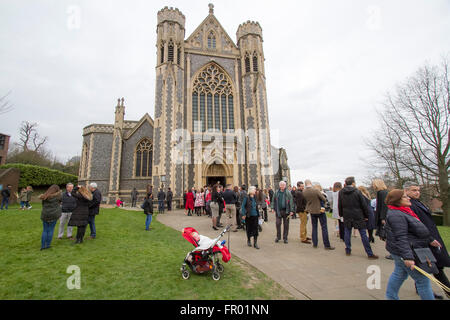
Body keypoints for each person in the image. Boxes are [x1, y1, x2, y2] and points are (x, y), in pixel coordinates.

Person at [384, 189, 439, 300]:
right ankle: (390, 296)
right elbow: (401, 237)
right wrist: (408, 257)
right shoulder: (397, 215)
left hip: (405, 249)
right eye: (405, 197)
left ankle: (390, 297)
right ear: (397, 200)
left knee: (399, 273)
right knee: (422, 280)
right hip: (405, 250)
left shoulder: (403, 211)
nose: (409, 198)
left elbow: (416, 229)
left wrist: (430, 239)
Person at [404, 181, 450, 299]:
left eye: (418, 190)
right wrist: (429, 238)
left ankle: (422, 289)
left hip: (429, 238)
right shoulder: (410, 205)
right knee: (436, 268)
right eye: (414, 190)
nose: (417, 192)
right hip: (425, 240)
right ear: (406, 191)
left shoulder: (416, 203)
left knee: (427, 268)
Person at [338, 177, 378, 259]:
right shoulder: (357, 191)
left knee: (347, 232)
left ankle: (348, 249)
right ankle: (369, 253)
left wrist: (341, 214)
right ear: (353, 183)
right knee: (363, 233)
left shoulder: (341, 192)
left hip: (347, 214)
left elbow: (340, 204)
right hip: (358, 214)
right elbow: (363, 205)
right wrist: (366, 216)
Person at [303, 179, 335, 250]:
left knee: (314, 227)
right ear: (310, 183)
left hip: (312, 211)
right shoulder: (316, 191)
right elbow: (324, 199)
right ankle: (326, 245)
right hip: (320, 210)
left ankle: (315, 243)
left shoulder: (304, 192)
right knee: (324, 227)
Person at [39, 185, 62, 250]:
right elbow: (60, 203)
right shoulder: (58, 196)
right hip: (54, 214)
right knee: (51, 230)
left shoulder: (45, 196)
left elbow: (43, 205)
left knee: (45, 230)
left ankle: (43, 246)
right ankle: (47, 245)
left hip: (45, 214)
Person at [373, 178, 391, 259]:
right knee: (386, 235)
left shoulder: (382, 193)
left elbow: (384, 206)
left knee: (386, 235)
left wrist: (383, 218)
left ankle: (392, 252)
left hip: (383, 216)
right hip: (383, 215)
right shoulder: (383, 192)